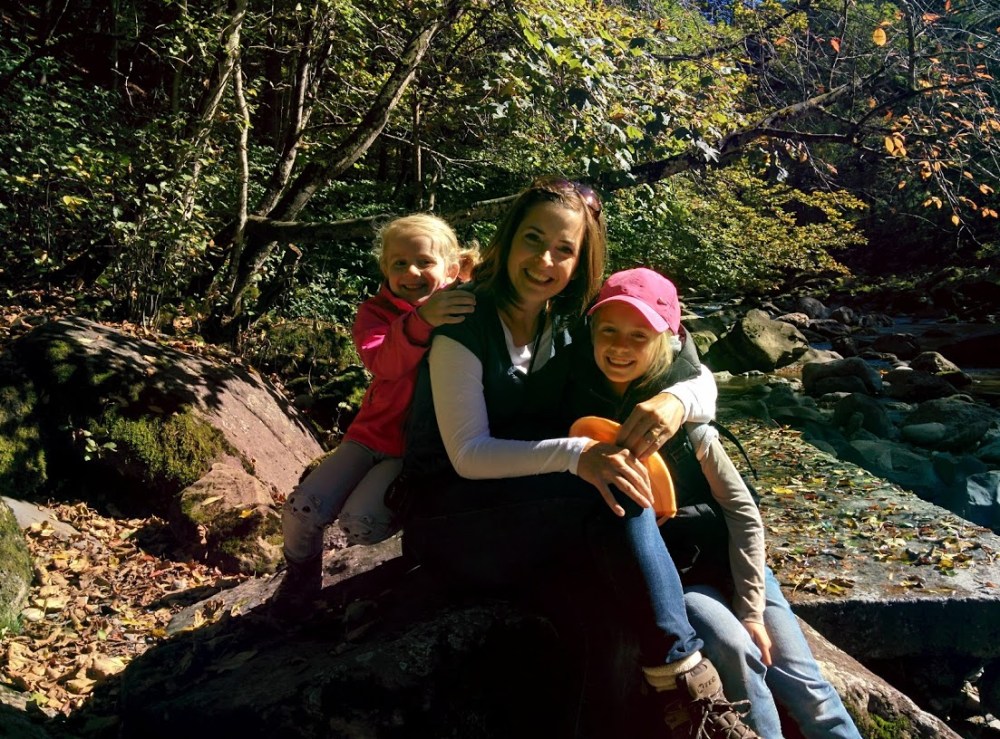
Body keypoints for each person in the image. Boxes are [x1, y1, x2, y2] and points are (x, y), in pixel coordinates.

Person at [401, 177, 759, 739]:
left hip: (534, 511)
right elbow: (468, 455)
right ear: (509, 239)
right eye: (532, 239)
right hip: (453, 520)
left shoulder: (569, 320)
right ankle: (688, 685)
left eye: (563, 249)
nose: (544, 260)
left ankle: (680, 697)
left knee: (600, 590)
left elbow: (697, 374)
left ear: (579, 261)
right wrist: (582, 455)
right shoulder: (464, 321)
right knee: (610, 479)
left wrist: (674, 401)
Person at [567, 267, 862, 739]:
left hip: (732, 562)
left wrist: (752, 608)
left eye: (639, 336)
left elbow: (743, 514)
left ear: (665, 339)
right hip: (678, 579)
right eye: (609, 331)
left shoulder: (689, 421)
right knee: (735, 649)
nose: (620, 347)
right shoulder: (576, 406)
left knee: (805, 683)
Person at [279, 213, 477, 605]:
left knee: (361, 524)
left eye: (424, 261)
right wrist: (421, 320)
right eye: (399, 263)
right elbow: (383, 362)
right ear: (385, 268)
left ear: (451, 269)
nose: (411, 272)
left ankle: (413, 544)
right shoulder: (375, 312)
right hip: (368, 437)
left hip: (411, 449)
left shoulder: (463, 306)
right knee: (302, 509)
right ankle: (300, 582)